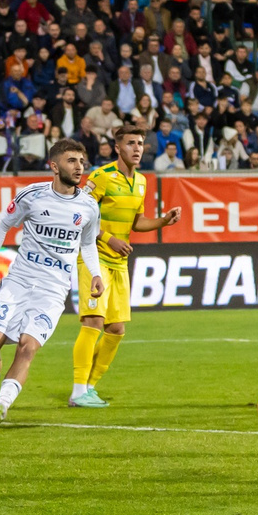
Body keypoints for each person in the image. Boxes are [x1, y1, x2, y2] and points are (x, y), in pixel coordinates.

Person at [0, 138, 103, 430]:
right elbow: (3, 225)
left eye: (81, 161)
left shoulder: (89, 207)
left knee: (27, 347)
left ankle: (1, 407)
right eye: (71, 161)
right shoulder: (32, 195)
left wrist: (96, 274)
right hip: (18, 282)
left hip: (52, 291)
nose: (79, 167)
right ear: (54, 166)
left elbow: (88, 244)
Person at [68, 127, 181, 408]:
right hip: (94, 259)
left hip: (119, 263)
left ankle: (89, 387)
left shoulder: (141, 182)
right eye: (130, 143)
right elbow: (79, 216)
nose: (137, 148)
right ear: (117, 148)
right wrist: (109, 239)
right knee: (93, 321)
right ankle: (77, 389)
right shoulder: (101, 177)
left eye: (140, 143)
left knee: (116, 329)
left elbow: (138, 222)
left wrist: (163, 221)